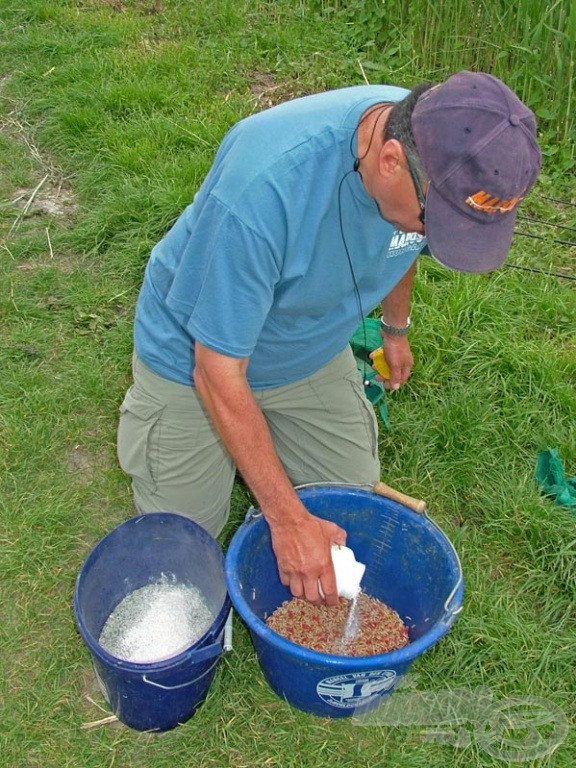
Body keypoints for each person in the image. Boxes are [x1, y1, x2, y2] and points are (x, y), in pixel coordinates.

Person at [117, 71, 541, 606]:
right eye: (439, 221)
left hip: (307, 348)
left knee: (351, 501)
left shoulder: (429, 144)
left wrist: (395, 328)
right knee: (184, 543)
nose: (438, 237)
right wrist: (288, 520)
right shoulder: (263, 187)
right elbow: (216, 371)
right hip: (196, 355)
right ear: (390, 163)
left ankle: (267, 467)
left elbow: (406, 241)